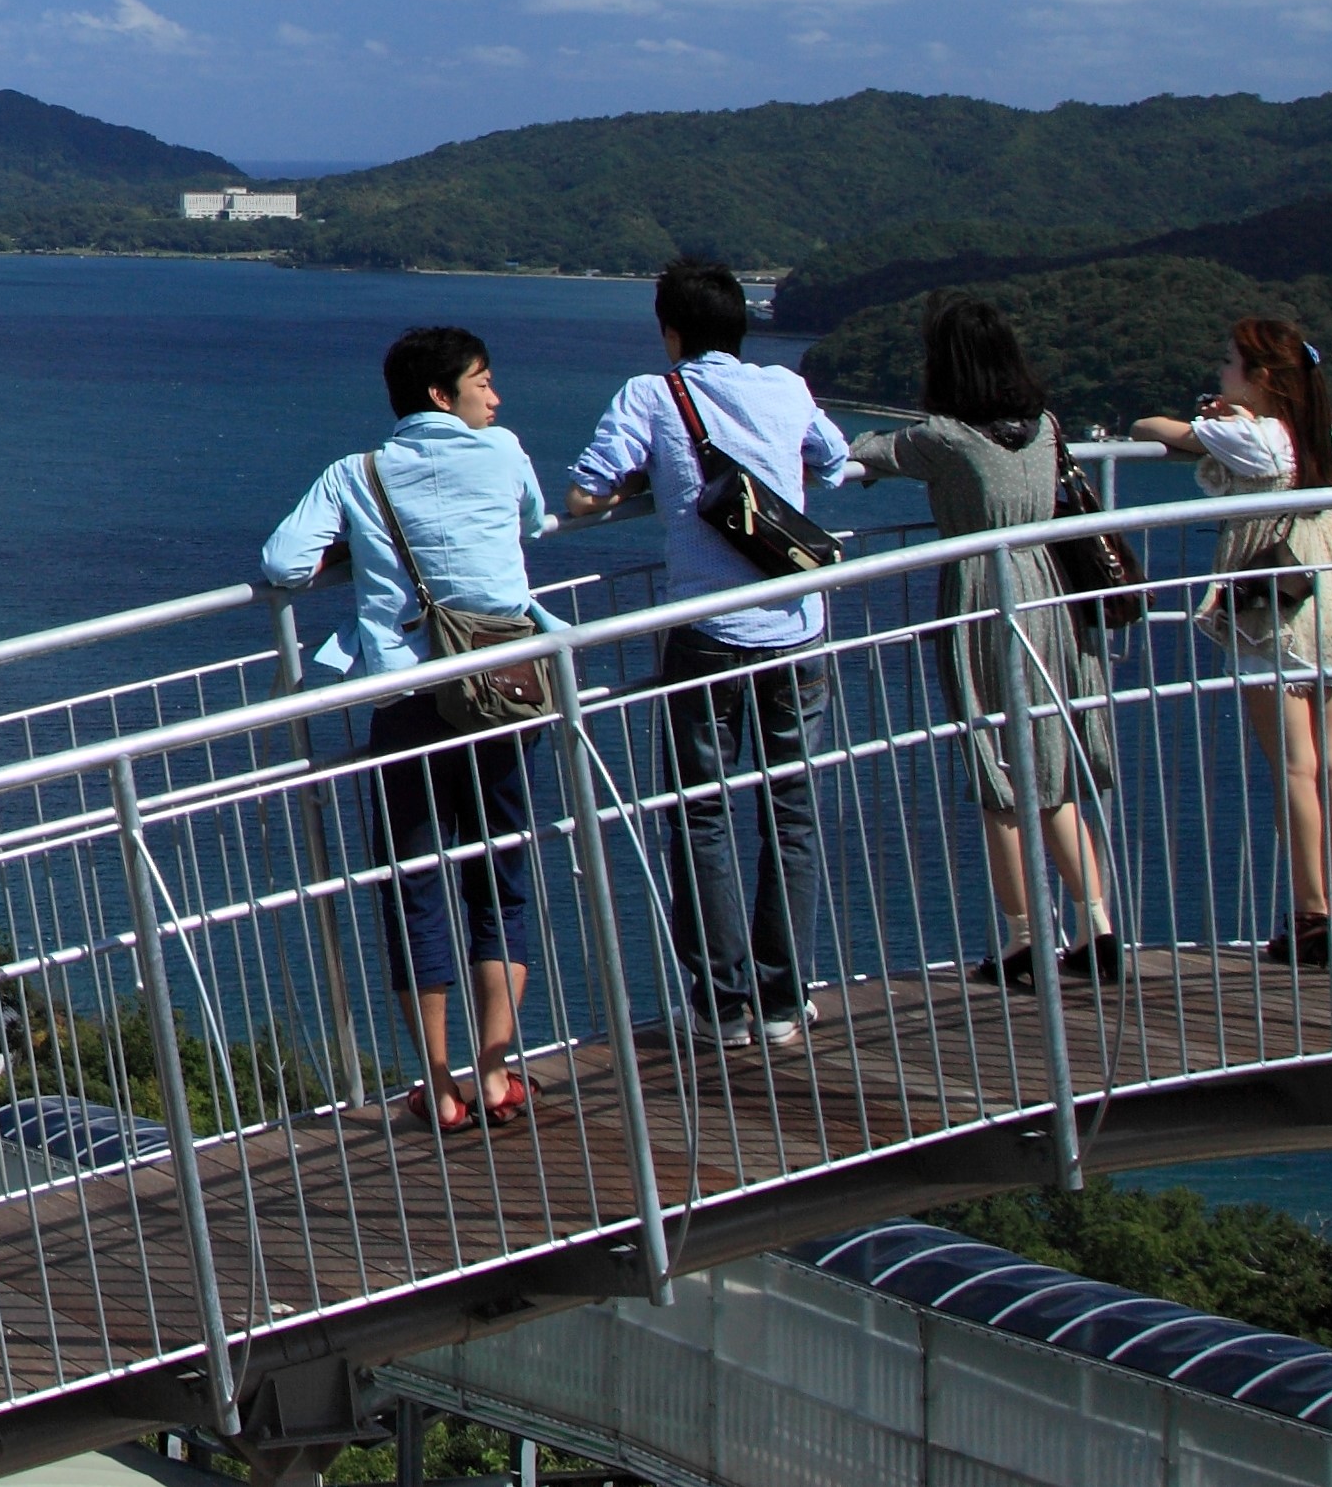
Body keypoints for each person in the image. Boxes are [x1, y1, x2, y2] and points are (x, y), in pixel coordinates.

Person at [260, 326, 559, 1133]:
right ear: (443, 395)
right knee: (502, 872)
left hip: (409, 700)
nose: (494, 399)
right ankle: (496, 1072)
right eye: (483, 383)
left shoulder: (355, 474)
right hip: (506, 689)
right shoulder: (502, 453)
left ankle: (438, 1080)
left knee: (415, 881)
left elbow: (284, 563)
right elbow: (535, 520)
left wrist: (353, 555)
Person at [565, 258, 859, 1049]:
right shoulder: (787, 389)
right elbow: (832, 462)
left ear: (671, 331)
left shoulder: (652, 394)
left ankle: (724, 1005)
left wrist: (644, 489)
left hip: (706, 634)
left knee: (702, 814)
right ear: (742, 326)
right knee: (790, 812)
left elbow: (585, 493)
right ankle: (785, 996)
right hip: (797, 626)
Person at [845, 299, 1118, 990]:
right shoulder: (1046, 428)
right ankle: (1098, 927)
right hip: (1051, 592)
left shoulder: (946, 440)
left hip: (985, 599)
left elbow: (866, 452)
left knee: (1000, 772)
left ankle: (1026, 940)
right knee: (1054, 773)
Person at [1133, 320, 1332, 967]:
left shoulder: (1254, 436)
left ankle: (1310, 913)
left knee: (1294, 767)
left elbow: (1152, 429)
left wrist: (1214, 418)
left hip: (1275, 607)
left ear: (1260, 378)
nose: (1220, 370)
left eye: (1229, 362)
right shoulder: (1320, 434)